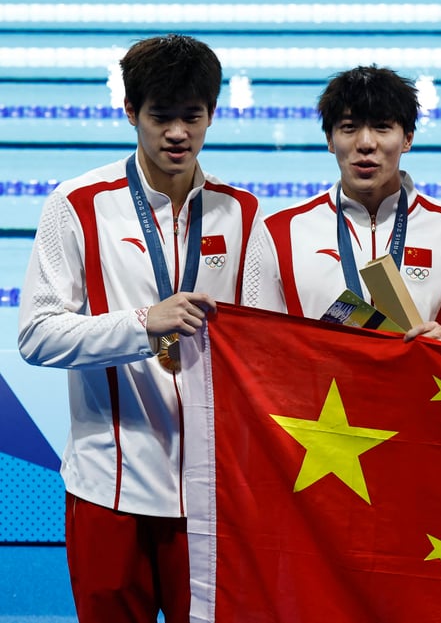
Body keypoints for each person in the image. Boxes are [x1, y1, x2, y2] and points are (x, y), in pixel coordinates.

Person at [17, 35, 261, 623]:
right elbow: (37, 335)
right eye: (161, 116)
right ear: (131, 112)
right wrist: (139, 325)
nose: (177, 133)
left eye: (192, 117)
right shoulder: (77, 203)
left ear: (211, 115)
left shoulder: (244, 212)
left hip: (212, 492)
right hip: (109, 486)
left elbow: (267, 341)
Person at [242, 65, 441, 347]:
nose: (366, 143)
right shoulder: (279, 232)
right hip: (320, 391)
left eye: (382, 127)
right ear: (330, 140)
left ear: (407, 139)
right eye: (349, 128)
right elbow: (258, 345)